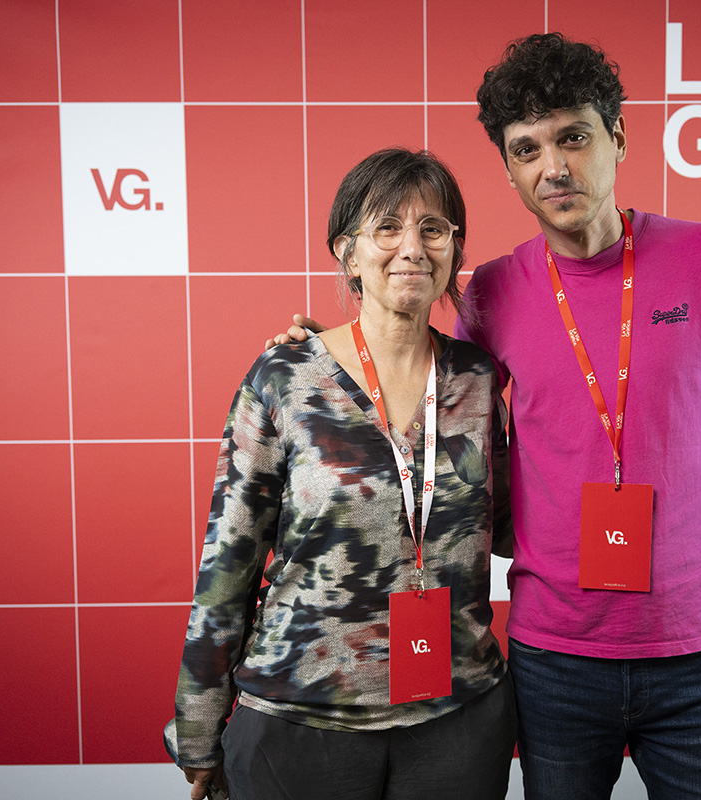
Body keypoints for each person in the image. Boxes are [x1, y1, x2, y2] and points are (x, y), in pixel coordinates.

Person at [273, 33, 701, 800]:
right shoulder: (491, 291)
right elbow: (421, 387)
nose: (553, 167)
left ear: (618, 138)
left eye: (573, 138)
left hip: (698, 650)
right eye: (527, 149)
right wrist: (328, 353)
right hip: (555, 657)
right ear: (510, 169)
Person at [175, 148, 516, 800]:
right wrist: (199, 722)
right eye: (387, 227)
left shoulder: (478, 379)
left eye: (433, 229)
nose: (412, 247)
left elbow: (505, 528)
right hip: (300, 718)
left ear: (453, 250)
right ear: (347, 252)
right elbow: (229, 559)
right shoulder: (285, 377)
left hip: (458, 718)